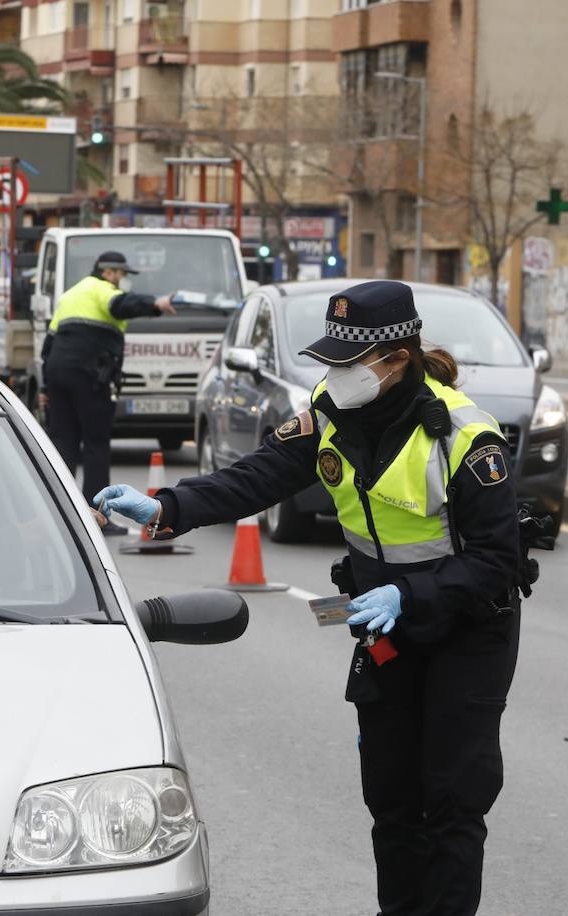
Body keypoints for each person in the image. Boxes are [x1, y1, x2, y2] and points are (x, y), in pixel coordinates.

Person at [95, 280, 522, 915]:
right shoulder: (328, 412)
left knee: (454, 803)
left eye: (346, 363)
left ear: (394, 359)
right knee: (392, 799)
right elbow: (258, 477)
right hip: (387, 629)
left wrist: (412, 594)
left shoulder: (464, 436)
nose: (332, 373)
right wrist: (167, 506)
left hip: (466, 628)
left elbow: (498, 563)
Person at [41, 251, 175, 535]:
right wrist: (155, 304)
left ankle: (57, 513)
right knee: (96, 444)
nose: (119, 280)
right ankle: (97, 516)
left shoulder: (71, 294)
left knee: (64, 444)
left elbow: (48, 344)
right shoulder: (101, 290)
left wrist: (44, 387)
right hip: (90, 376)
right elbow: (121, 305)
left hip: (58, 375)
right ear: (108, 272)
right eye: (118, 274)